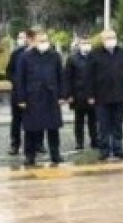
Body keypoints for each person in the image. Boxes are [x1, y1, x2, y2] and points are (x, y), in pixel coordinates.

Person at [15, 33, 66, 167]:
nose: (43, 43)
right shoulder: (25, 57)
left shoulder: (55, 56)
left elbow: (61, 76)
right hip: (33, 97)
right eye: (41, 41)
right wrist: (21, 98)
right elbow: (19, 79)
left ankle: (55, 154)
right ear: (35, 42)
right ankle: (30, 156)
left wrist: (62, 95)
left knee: (53, 128)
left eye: (45, 40)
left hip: (51, 97)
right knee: (31, 129)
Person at [87, 29, 123, 161]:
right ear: (102, 40)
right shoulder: (95, 54)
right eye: (107, 38)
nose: (111, 40)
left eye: (113, 37)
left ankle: (118, 149)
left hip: (120, 94)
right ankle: (104, 150)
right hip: (101, 96)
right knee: (103, 125)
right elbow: (89, 76)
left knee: (118, 124)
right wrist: (90, 95)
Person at [63, 36, 98, 151]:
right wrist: (69, 95)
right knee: (79, 121)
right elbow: (67, 78)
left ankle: (94, 140)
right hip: (78, 95)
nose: (86, 45)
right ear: (79, 45)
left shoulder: (95, 58)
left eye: (88, 43)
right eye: (84, 43)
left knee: (93, 120)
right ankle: (79, 142)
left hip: (92, 95)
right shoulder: (72, 59)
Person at [7, 30, 30, 155]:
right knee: (16, 120)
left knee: (34, 119)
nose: (22, 39)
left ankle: (37, 145)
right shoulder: (15, 53)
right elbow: (9, 71)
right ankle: (15, 144)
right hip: (17, 92)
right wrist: (17, 82)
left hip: (32, 92)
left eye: (24, 37)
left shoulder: (34, 52)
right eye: (19, 37)